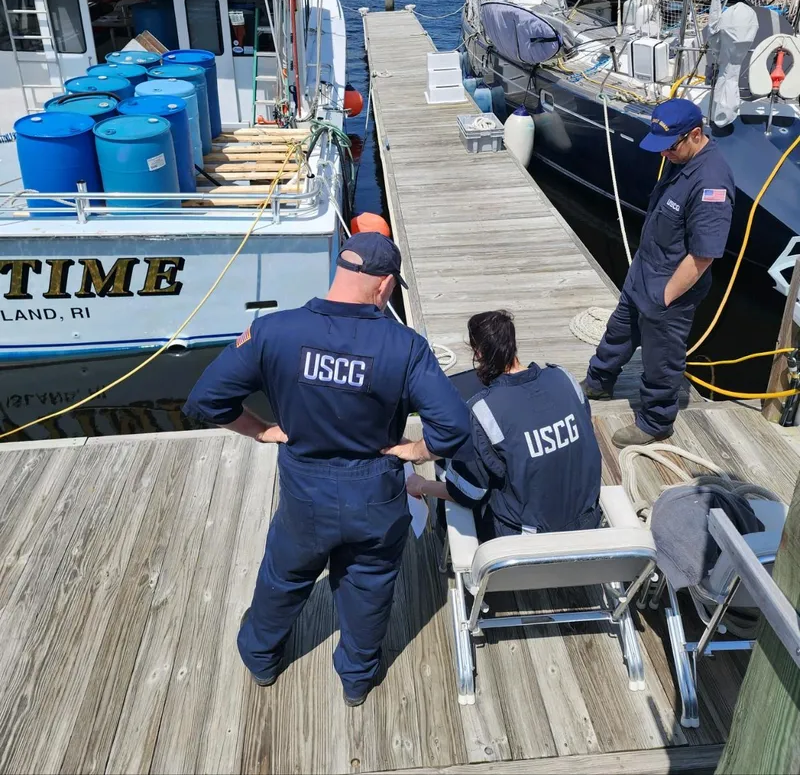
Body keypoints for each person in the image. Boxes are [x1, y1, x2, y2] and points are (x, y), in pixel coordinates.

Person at [183, 232, 470, 707]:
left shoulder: (274, 330)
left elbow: (206, 400)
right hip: (375, 492)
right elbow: (454, 427)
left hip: (305, 493)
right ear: (384, 287)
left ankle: (260, 658)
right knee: (370, 586)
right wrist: (416, 451)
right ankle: (356, 680)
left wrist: (261, 431)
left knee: (284, 575)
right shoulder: (407, 347)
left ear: (341, 271)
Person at [583, 98, 734, 449]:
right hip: (645, 270)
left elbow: (702, 256)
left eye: (670, 147)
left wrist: (664, 297)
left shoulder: (711, 182)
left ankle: (655, 421)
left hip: (669, 286)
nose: (663, 154)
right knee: (619, 330)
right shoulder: (679, 157)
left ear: (695, 135)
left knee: (660, 357)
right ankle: (598, 382)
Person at [406, 310, 602, 539]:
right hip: (589, 525)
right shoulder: (565, 379)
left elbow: (466, 494)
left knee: (456, 469)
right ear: (513, 344)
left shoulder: (483, 412)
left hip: (526, 545)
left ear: (478, 352)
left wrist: (420, 485)